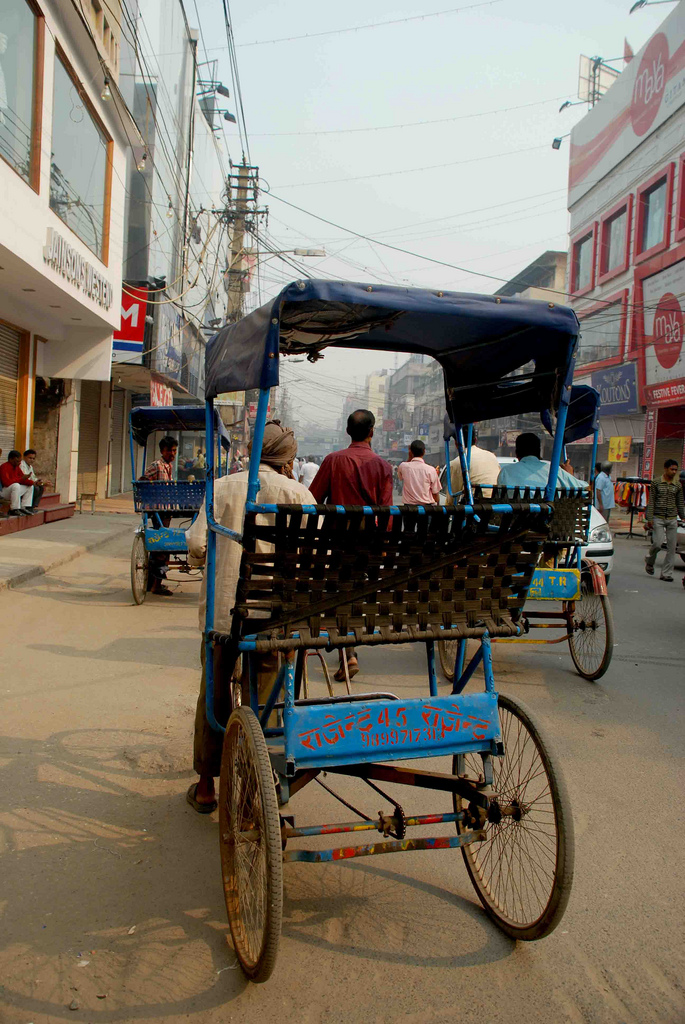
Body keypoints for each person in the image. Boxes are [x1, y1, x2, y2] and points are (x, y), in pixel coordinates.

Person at [185, 421, 315, 813]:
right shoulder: (300, 494)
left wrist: (204, 557)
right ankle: (259, 782)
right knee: (271, 696)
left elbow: (194, 544)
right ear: (287, 459)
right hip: (274, 620)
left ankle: (207, 785)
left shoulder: (222, 487)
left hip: (224, 620)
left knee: (214, 690)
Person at [310, 410, 393, 681]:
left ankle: (348, 651)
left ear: (348, 432)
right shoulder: (383, 467)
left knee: (339, 591)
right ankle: (348, 648)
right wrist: (382, 547)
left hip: (336, 547)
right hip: (367, 549)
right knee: (355, 591)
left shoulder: (333, 461)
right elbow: (386, 513)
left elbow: (313, 500)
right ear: (372, 432)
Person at [140, 435, 178, 596]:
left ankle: (152, 584)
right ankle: (156, 585)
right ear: (162, 451)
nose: (173, 454)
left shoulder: (169, 467)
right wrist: (152, 494)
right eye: (170, 450)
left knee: (160, 546)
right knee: (161, 547)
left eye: (175, 451)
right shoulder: (157, 465)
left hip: (166, 511)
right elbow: (142, 481)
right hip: (158, 511)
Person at [497, 433, 586, 491]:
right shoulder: (554, 471)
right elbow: (585, 490)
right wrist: (569, 476)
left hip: (516, 520)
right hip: (550, 519)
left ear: (517, 454)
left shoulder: (506, 472)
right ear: (539, 453)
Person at [644, 459, 685, 584]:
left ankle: (666, 574)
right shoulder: (656, 483)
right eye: (672, 469)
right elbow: (651, 502)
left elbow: (680, 502)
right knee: (657, 543)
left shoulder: (677, 485)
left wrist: (683, 516)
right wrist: (649, 518)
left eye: (675, 470)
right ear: (665, 469)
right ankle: (650, 561)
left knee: (671, 548)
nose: (674, 472)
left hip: (672, 519)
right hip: (658, 518)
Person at [450, 427, 500, 497]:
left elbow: (453, 495)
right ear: (475, 440)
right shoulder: (492, 456)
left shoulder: (457, 462)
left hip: (473, 504)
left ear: (456, 443)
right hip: (496, 502)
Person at [0, 450, 35, 516]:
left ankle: (24, 507)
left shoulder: (17, 467)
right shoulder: (4, 467)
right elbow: (6, 483)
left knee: (30, 486)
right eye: (17, 461)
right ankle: (14, 509)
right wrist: (21, 479)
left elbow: (23, 479)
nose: (19, 463)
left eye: (20, 461)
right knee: (16, 485)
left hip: (14, 491)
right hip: (4, 491)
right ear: (11, 459)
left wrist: (33, 483)